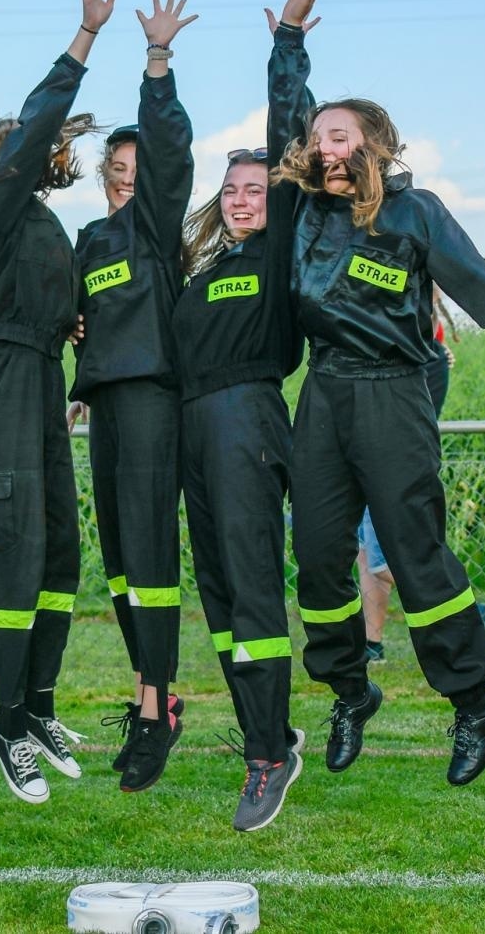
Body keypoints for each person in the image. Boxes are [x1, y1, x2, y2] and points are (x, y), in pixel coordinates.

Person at [269, 0, 485, 787]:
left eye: (339, 136)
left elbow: (483, 289)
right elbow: (285, 116)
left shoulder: (415, 214)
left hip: (394, 394)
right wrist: (289, 39)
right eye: (317, 137)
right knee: (317, 557)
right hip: (324, 392)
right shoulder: (304, 208)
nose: (322, 147)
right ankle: (351, 691)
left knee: (416, 558)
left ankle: (474, 702)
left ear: (374, 145)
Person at [0, 0, 113, 803]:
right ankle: (6, 723)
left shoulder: (32, 221)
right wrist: (84, 37)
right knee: (14, 561)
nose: (48, 149)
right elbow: (42, 117)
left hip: (42, 382)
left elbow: (53, 299)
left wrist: (69, 324)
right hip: (3, 389)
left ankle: (38, 705)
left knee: (56, 555)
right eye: (26, 145)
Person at [66, 0, 196, 792]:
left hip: (152, 401)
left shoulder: (157, 229)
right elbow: (83, 316)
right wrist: (77, 365)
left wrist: (157, 61)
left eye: (138, 171)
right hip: (105, 405)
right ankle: (150, 695)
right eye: (116, 170)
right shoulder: (89, 240)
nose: (126, 181)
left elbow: (170, 151)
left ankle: (157, 710)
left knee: (149, 556)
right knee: (118, 563)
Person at [173, 139, 306, 831]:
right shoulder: (206, 269)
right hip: (193, 428)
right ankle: (270, 730)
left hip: (247, 420)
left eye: (255, 189)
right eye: (230, 189)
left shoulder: (281, 255)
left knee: (252, 589)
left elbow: (289, 142)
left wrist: (286, 63)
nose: (240, 200)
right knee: (219, 593)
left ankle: (266, 757)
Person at [358, 286, 456, 662]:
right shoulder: (395, 346)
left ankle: (467, 615)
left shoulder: (429, 357)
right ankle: (372, 643)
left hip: (393, 466)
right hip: (365, 457)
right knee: (366, 554)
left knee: (384, 560)